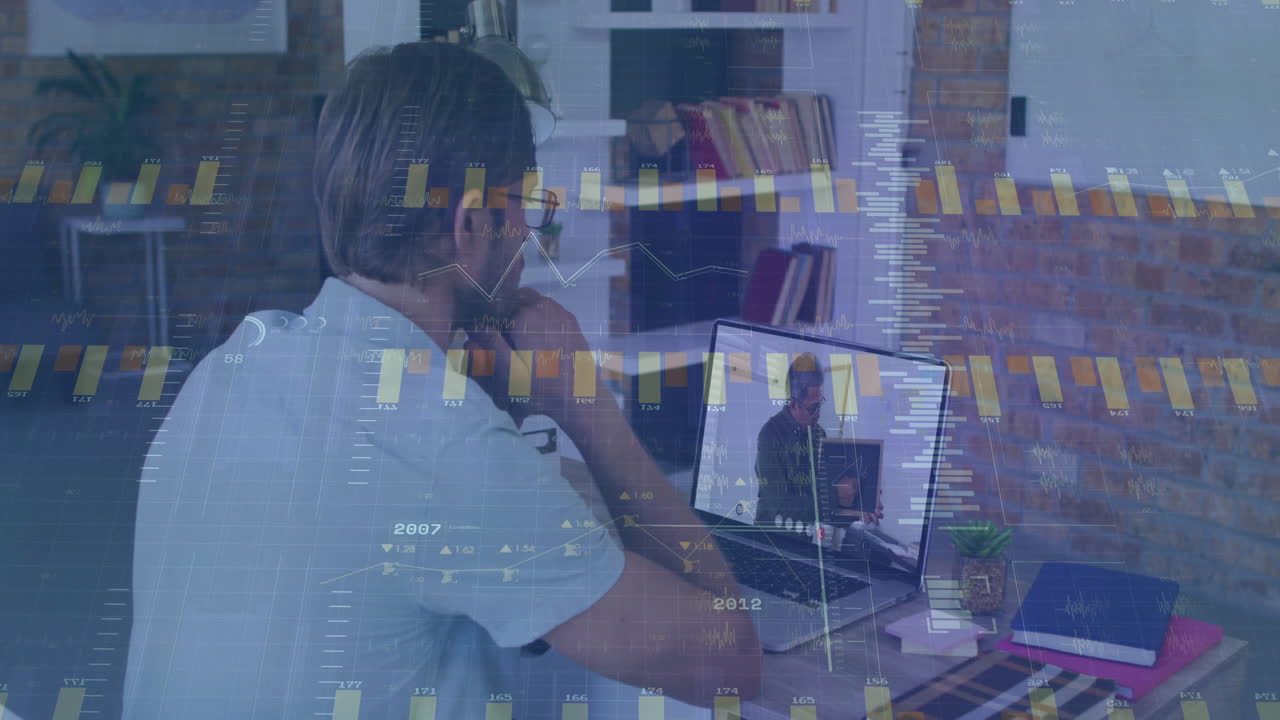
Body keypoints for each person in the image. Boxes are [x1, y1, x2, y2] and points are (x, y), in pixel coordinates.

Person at [123, 42, 759, 720]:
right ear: (472, 222)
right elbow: (729, 664)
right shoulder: (446, 447)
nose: (528, 233)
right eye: (526, 204)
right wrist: (587, 409)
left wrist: (489, 416)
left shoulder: (232, 365)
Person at [753, 354, 827, 527]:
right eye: (813, 407)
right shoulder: (769, 435)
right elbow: (780, 504)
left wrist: (856, 502)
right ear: (794, 404)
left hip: (805, 543)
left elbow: (826, 487)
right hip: (770, 541)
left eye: (820, 403)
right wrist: (831, 503)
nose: (819, 413)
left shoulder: (820, 435)